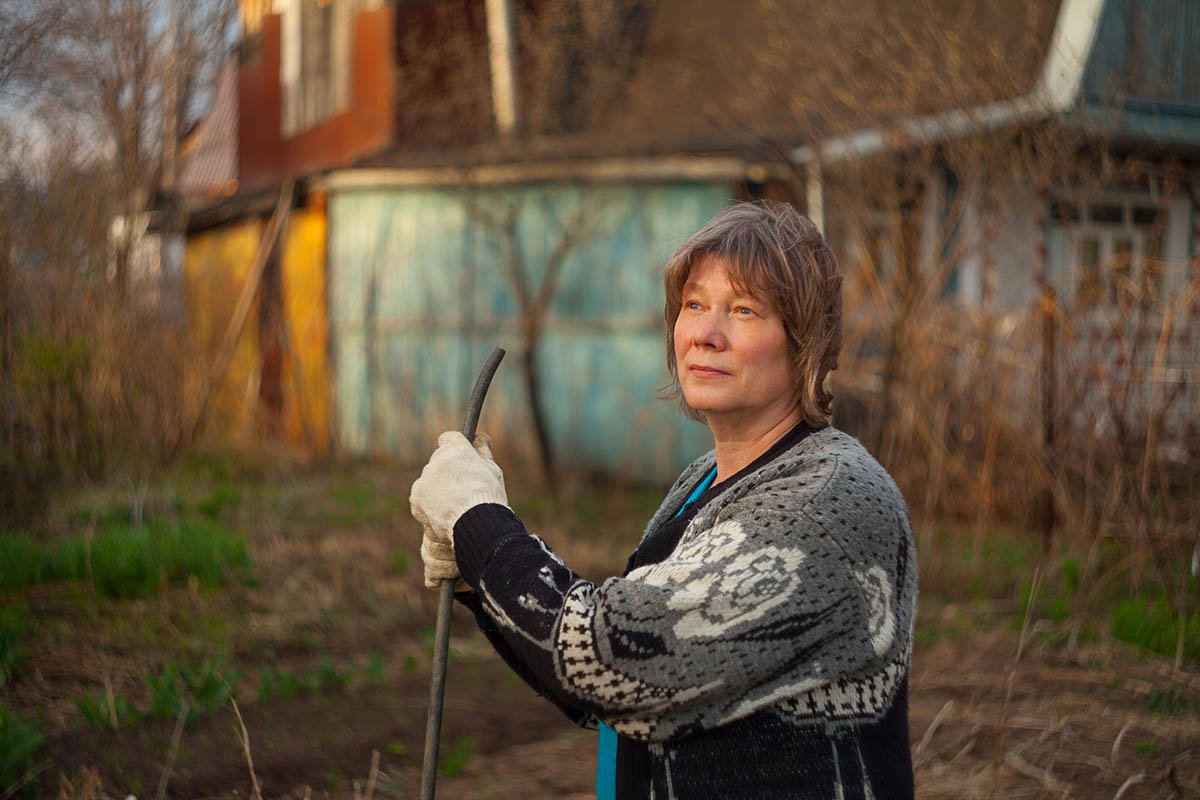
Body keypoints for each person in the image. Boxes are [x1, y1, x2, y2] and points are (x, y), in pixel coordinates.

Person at [410, 200, 917, 799]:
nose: (705, 332)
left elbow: (606, 661)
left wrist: (480, 524)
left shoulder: (825, 504)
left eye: (745, 310)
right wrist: (475, 576)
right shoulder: (704, 481)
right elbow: (629, 694)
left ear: (805, 342)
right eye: (694, 305)